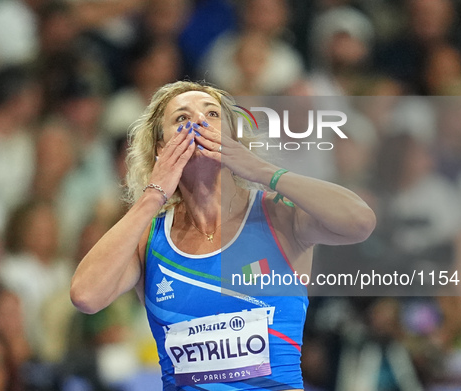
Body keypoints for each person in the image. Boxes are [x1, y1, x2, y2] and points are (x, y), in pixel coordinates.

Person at [70, 80, 376, 390]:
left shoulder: (279, 215)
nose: (198, 123)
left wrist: (261, 171)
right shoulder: (149, 237)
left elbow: (360, 221)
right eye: (181, 118)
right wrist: (152, 196)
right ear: (161, 148)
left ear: (232, 138)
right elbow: (86, 295)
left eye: (212, 114)